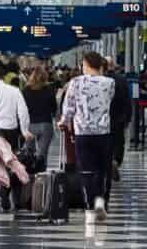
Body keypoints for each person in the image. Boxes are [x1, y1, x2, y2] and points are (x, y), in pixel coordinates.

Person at [64, 50, 119, 226]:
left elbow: (69, 106)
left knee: (86, 171)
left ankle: (89, 208)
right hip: (103, 132)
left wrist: (64, 121)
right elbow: (108, 102)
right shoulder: (110, 82)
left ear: (86, 64)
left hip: (83, 132)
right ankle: (100, 201)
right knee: (102, 170)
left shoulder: (75, 82)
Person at [0, 64, 29, 154]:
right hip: (10, 130)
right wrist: (24, 130)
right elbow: (23, 111)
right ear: (4, 77)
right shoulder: (15, 91)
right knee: (10, 159)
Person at [23, 68, 58, 170]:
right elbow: (54, 108)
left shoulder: (26, 90)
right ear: (45, 77)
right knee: (42, 155)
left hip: (30, 124)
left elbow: (22, 109)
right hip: (46, 124)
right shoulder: (49, 90)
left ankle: (29, 176)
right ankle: (41, 177)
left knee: (29, 154)